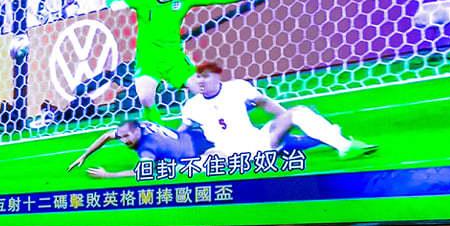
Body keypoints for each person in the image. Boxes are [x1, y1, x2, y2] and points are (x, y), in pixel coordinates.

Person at [68, 61, 373, 174]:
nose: (200, 82)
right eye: (197, 78)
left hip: (257, 142)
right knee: (295, 137)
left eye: (206, 77)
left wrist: (286, 117)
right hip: (228, 155)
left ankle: (342, 144)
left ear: (217, 77)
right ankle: (330, 135)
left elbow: (265, 103)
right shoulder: (191, 107)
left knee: (300, 114)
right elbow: (184, 131)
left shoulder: (238, 88)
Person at [66, 0, 291, 116]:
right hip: (148, 60)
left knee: (204, 92)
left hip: (174, 59)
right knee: (145, 99)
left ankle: (241, 105)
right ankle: (159, 136)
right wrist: (114, 3)